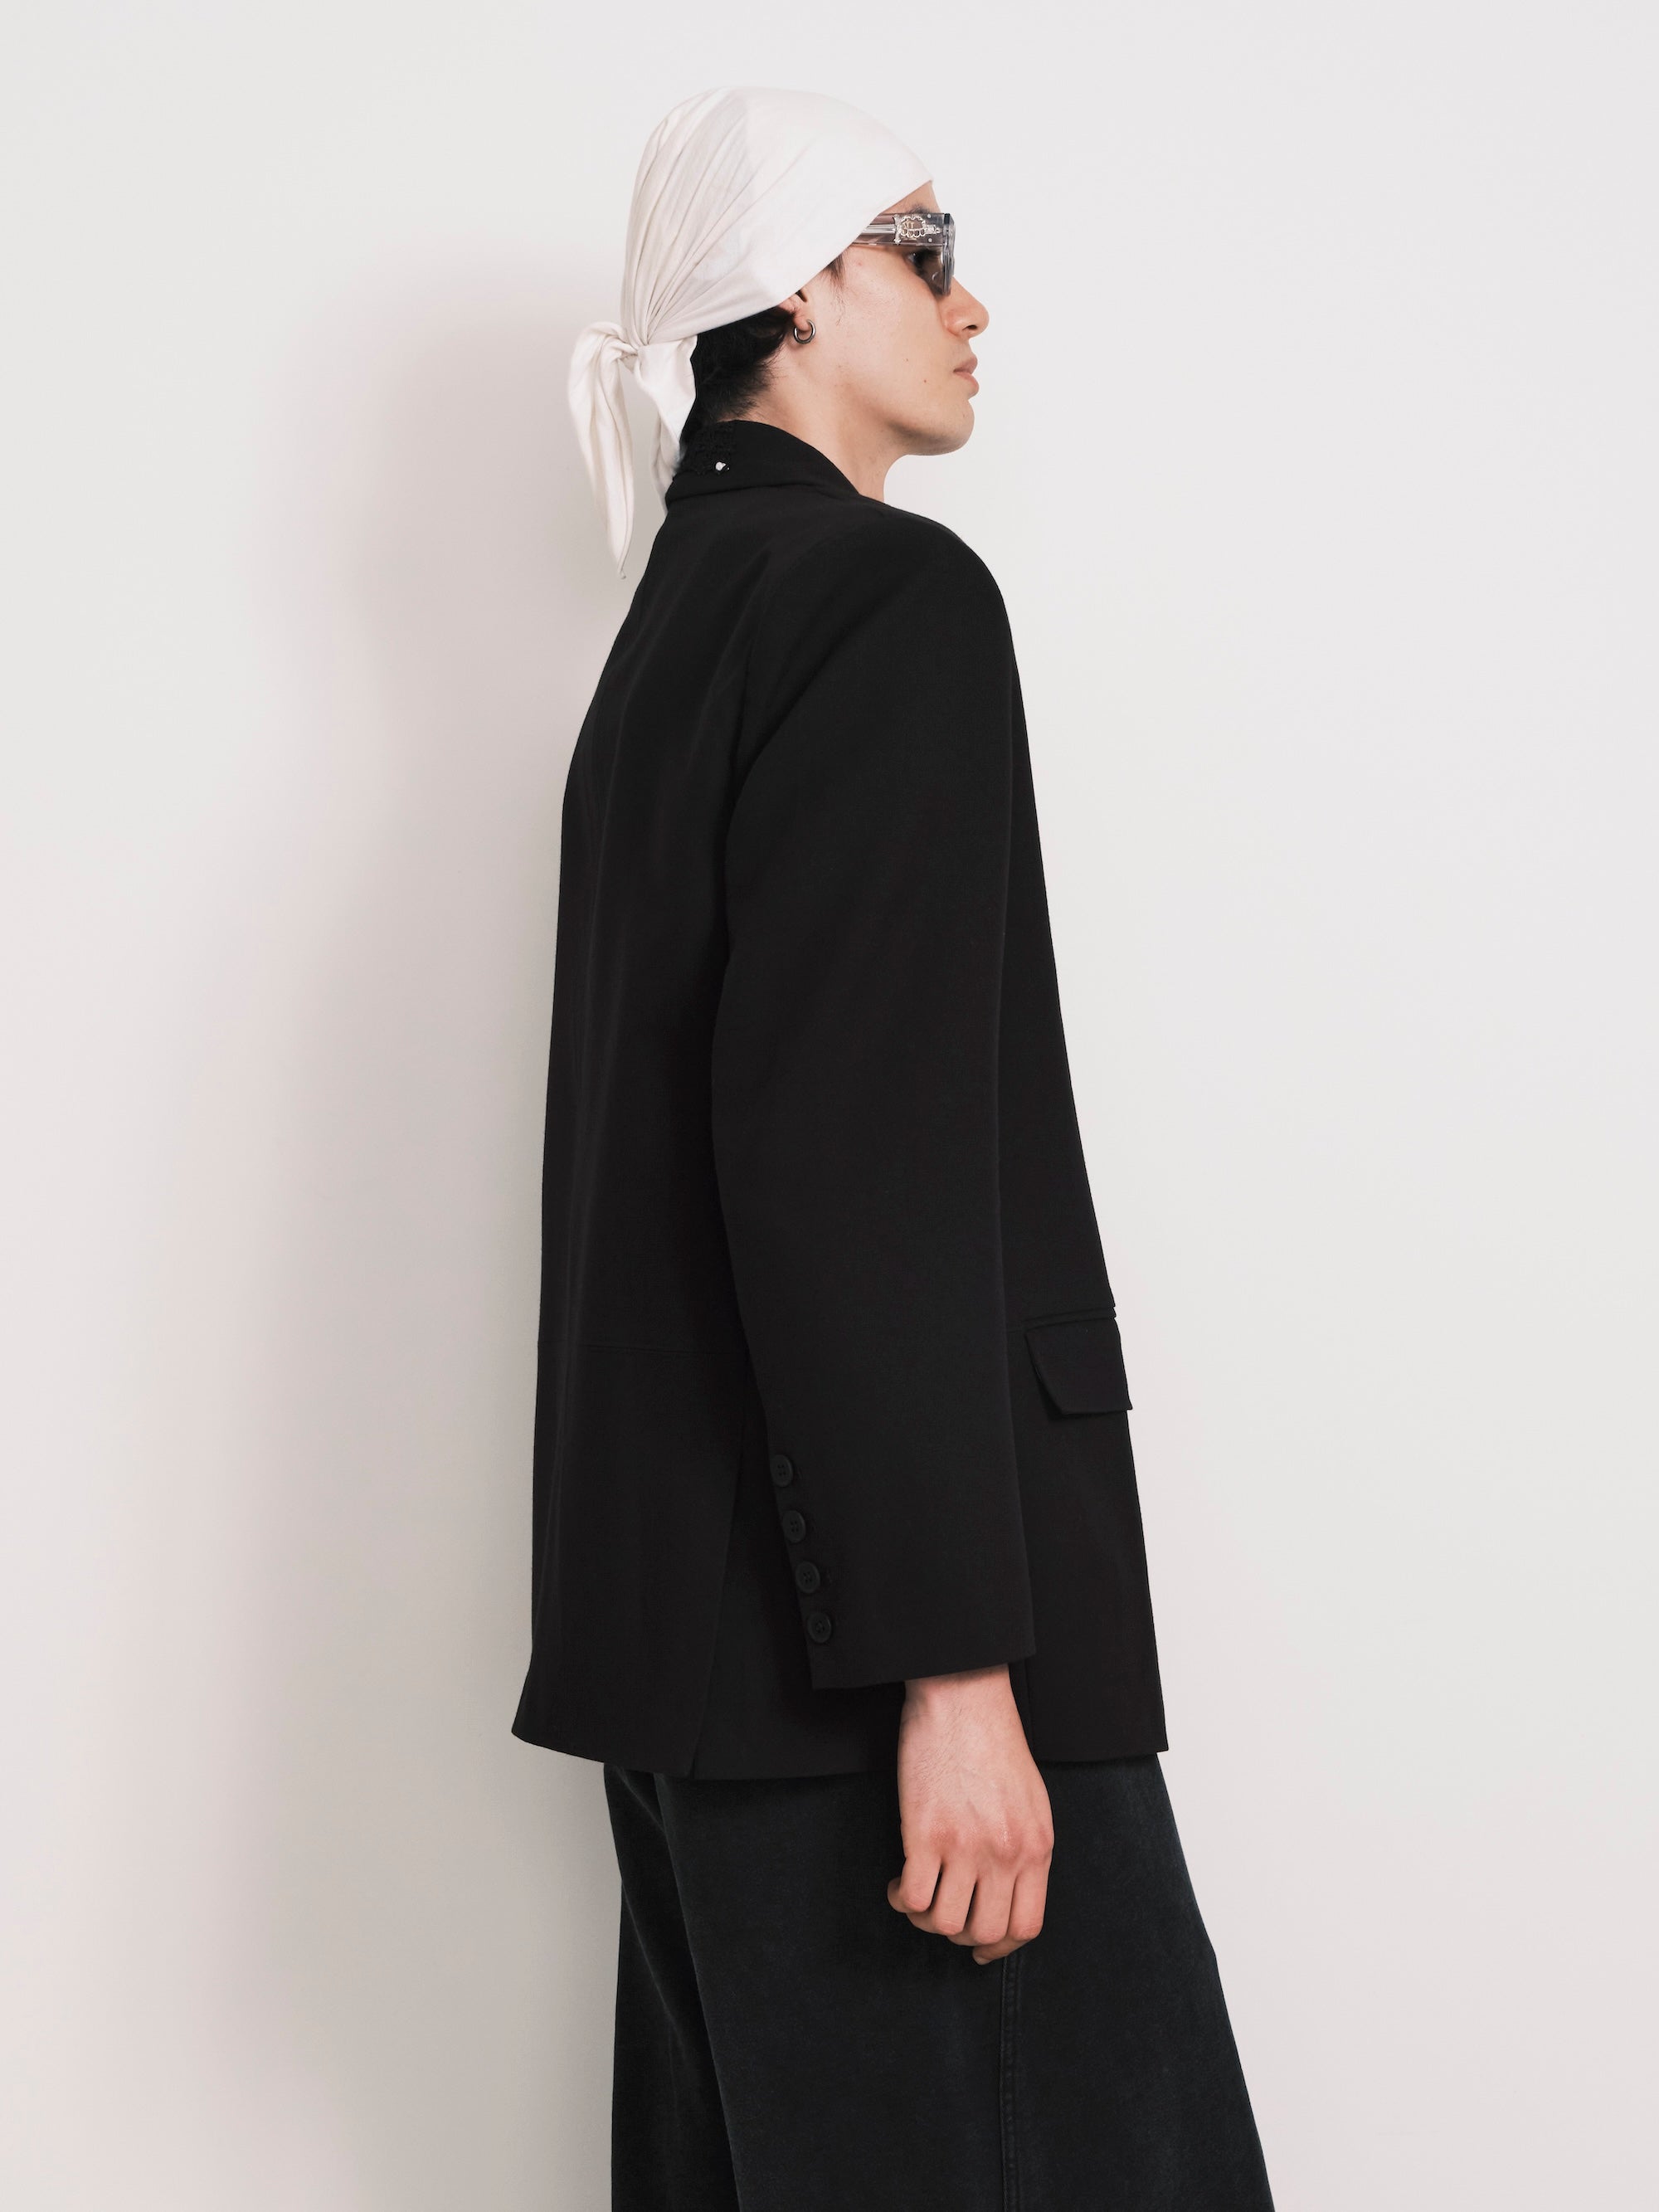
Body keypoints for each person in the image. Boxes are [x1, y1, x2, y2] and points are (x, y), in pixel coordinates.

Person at [514, 85, 1276, 2211]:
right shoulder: (877, 597)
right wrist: (957, 1673)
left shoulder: (679, 628)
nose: (970, 304)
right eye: (921, 253)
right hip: (874, 1676)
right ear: (792, 293)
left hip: (708, 1679)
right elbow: (851, 1168)